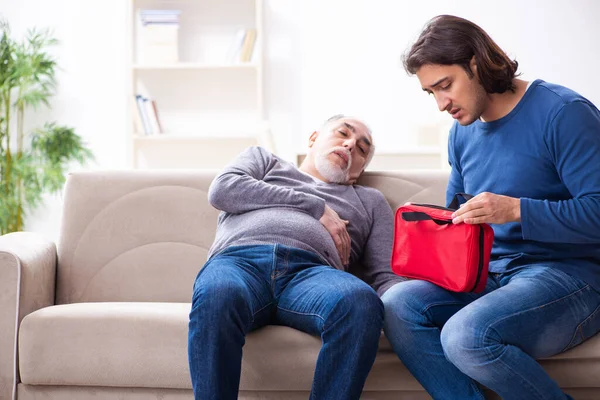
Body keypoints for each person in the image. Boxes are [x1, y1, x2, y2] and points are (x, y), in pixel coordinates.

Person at [382, 14, 600, 400]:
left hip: (570, 278)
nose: (440, 104)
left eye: (445, 86)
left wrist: (517, 210)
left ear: (477, 64)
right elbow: (459, 219)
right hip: (491, 275)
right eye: (430, 92)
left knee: (466, 336)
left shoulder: (563, 113)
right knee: (396, 304)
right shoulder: (461, 134)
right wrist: (432, 225)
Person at [187, 115, 405, 400]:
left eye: (362, 149)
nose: (350, 144)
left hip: (313, 276)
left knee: (361, 302)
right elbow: (223, 190)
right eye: (342, 133)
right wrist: (316, 207)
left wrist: (411, 309)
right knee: (217, 293)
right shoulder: (264, 161)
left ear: (358, 171)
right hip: (240, 262)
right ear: (314, 139)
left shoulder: (370, 200)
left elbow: (385, 275)